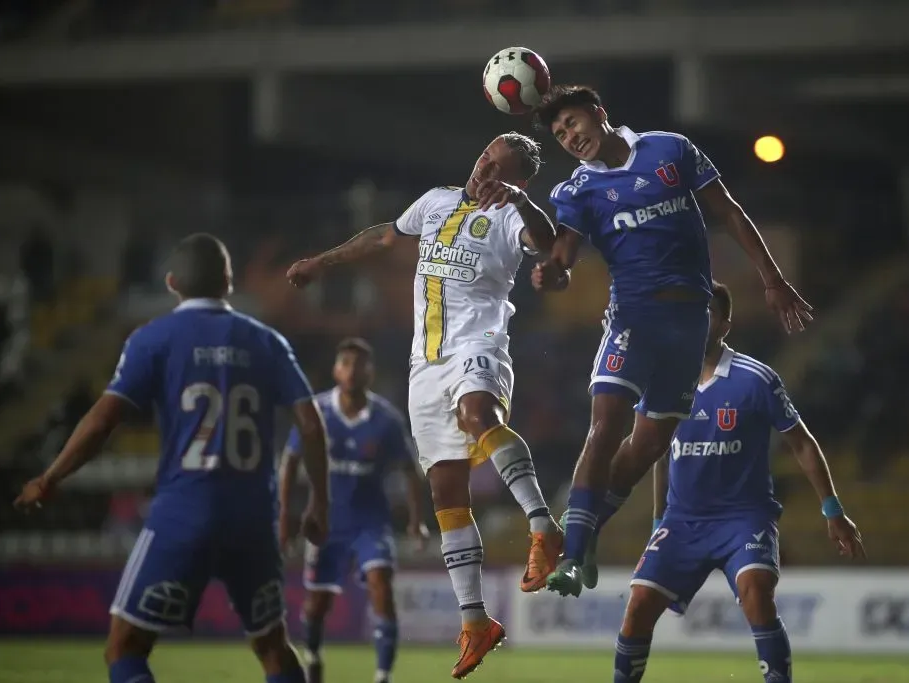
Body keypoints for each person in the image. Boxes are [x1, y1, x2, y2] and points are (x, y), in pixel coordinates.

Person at [286, 132, 563, 679]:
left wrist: (521, 200)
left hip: (479, 343)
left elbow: (546, 240)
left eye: (500, 169)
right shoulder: (436, 201)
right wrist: (322, 262)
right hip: (425, 365)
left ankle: (543, 526)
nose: (485, 170)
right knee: (445, 491)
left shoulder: (512, 214)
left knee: (479, 415)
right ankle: (476, 621)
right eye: (485, 157)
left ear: (518, 181)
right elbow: (384, 236)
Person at [530, 85, 814, 596]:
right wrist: (550, 274)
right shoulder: (578, 189)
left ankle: (585, 529)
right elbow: (563, 259)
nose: (569, 137)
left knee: (650, 443)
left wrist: (772, 279)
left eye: (572, 123)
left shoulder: (670, 149)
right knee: (606, 425)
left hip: (688, 324)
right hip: (632, 319)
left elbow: (728, 211)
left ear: (599, 113)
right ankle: (570, 557)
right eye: (559, 134)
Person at [14, 233, 330, 683]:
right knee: (273, 647)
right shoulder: (267, 341)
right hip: (253, 518)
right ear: (228, 282)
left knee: (124, 648)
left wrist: (49, 478)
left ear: (171, 283)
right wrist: (319, 502)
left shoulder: (152, 339)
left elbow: (103, 422)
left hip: (185, 513)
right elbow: (312, 425)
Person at [614, 281, 865, 683]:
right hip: (683, 521)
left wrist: (832, 510)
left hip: (743, 518)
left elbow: (801, 443)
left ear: (724, 325)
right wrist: (659, 521)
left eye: (707, 313)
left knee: (756, 593)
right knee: (639, 602)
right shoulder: (663, 381)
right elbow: (657, 452)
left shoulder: (756, 379)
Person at [278, 337, 429, 683]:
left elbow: (410, 469)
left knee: (381, 585)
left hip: (371, 523)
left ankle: (383, 675)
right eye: (345, 363)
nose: (352, 371)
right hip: (327, 523)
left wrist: (416, 520)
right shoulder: (317, 412)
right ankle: (313, 656)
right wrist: (285, 515)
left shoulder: (386, 420)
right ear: (335, 370)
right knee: (317, 605)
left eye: (359, 365)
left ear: (370, 372)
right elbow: (289, 461)